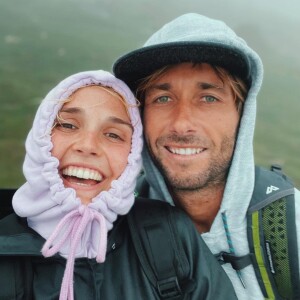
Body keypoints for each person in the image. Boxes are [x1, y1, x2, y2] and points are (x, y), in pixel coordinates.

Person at [0, 70, 238, 299]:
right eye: (68, 125)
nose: (88, 146)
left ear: (133, 154)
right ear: (40, 135)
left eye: (114, 135)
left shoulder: (170, 235)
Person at [113, 13, 300, 300]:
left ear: (242, 114)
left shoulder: (292, 228)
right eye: (162, 98)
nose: (181, 123)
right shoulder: (110, 232)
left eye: (209, 98)